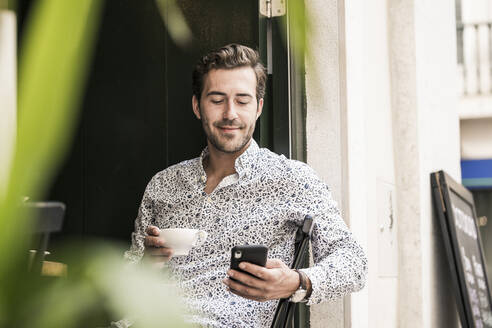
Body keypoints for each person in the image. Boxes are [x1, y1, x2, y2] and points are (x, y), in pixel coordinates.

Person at [124, 44, 367, 327]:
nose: (230, 113)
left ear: (258, 107)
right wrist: (145, 266)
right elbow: (127, 279)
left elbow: (354, 262)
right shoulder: (163, 184)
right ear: (197, 106)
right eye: (217, 100)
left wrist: (295, 282)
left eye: (242, 100)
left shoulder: (293, 179)